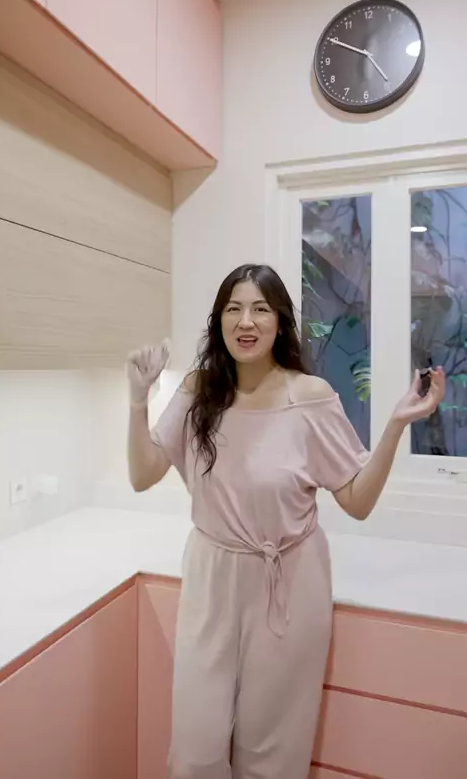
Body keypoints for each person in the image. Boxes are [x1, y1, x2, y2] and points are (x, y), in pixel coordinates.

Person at [127, 263, 445, 779]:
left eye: (260, 309)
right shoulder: (198, 390)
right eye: (234, 309)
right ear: (219, 321)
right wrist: (138, 402)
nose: (245, 321)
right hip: (212, 577)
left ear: (279, 323)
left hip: (291, 583)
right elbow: (143, 474)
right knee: (195, 750)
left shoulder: (309, 396)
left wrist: (394, 426)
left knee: (270, 754)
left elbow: (357, 500)